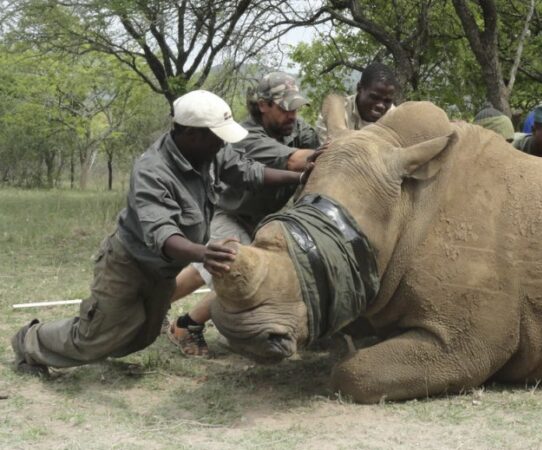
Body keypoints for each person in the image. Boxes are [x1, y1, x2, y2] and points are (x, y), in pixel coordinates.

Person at [11, 90, 303, 375]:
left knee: (141, 336)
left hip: (162, 272)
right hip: (128, 265)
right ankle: (29, 340)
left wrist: (301, 176)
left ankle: (103, 340)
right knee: (90, 340)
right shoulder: (153, 170)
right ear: (192, 134)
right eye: (218, 136)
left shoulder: (209, 150)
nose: (223, 144)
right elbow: (163, 234)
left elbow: (248, 172)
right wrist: (204, 253)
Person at [167, 72, 321, 356]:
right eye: (285, 107)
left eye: (296, 107)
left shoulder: (299, 130)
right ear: (263, 105)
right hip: (228, 214)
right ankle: (185, 324)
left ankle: (150, 307)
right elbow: (295, 160)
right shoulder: (246, 135)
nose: (292, 114)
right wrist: (345, 154)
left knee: (205, 271)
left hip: (262, 222)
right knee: (236, 273)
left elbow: (319, 145)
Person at [316, 62, 398, 142]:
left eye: (387, 101)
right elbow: (328, 153)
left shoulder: (396, 119)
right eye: (374, 97)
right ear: (359, 88)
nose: (381, 106)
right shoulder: (335, 113)